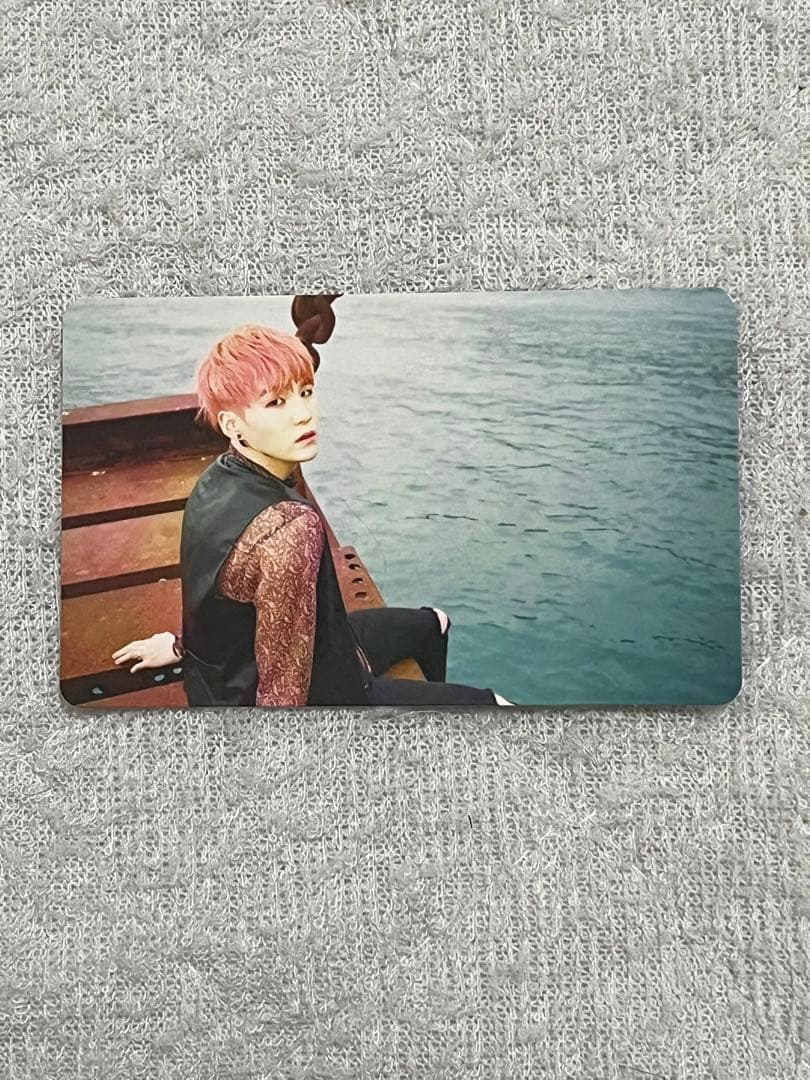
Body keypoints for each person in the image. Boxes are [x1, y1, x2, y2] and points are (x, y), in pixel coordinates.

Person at [112, 323, 514, 707]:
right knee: (496, 705)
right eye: (276, 403)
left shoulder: (215, 480)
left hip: (225, 683)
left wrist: (178, 645)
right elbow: (284, 698)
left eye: (306, 392)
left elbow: (216, 599)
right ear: (233, 425)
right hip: (320, 695)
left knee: (434, 622)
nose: (303, 414)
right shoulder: (292, 528)